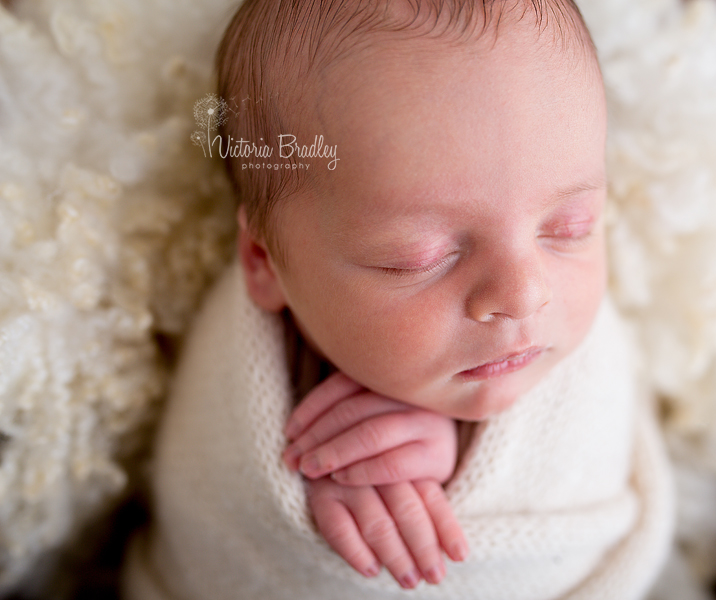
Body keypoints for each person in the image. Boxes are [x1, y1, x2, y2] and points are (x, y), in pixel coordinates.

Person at [123, 1, 674, 598]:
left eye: (569, 227)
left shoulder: (564, 344)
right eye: (420, 258)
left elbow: (592, 431)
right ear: (264, 262)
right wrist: (326, 467)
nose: (523, 294)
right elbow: (220, 510)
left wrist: (457, 452)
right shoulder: (242, 380)